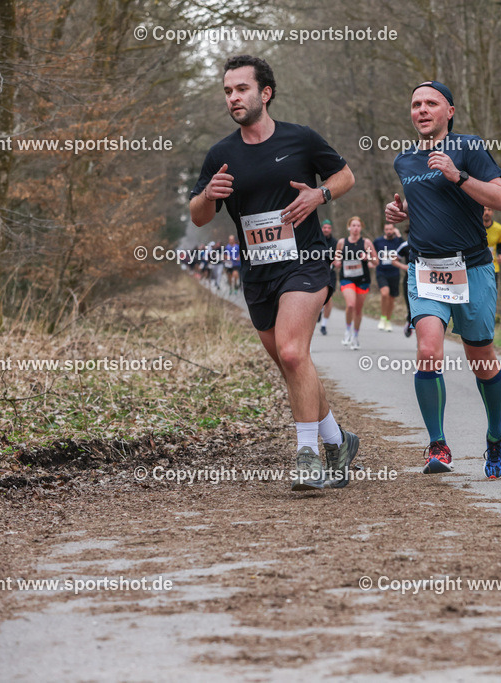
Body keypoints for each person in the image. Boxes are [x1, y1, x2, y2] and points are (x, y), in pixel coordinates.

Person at [189, 55, 360, 491]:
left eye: (241, 89)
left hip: (305, 262)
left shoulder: (300, 139)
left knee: (292, 352)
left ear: (265, 93)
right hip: (258, 273)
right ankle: (338, 441)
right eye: (228, 91)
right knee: (293, 363)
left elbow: (345, 176)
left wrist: (320, 195)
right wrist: (208, 195)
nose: (233, 98)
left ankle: (307, 456)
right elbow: (199, 216)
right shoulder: (221, 154)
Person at [384, 80, 501, 479]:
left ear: (449, 112)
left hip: (473, 268)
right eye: (416, 104)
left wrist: (458, 176)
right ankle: (437, 444)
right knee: (428, 351)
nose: (422, 110)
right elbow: (426, 204)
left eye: (431, 103)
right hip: (425, 269)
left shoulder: (469, 147)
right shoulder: (404, 160)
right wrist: (402, 213)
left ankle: (496, 434)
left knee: (482, 361)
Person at [332, 216, 377, 350]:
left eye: (358, 226)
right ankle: (347, 330)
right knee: (351, 305)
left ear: (361, 228)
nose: (356, 228)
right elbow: (336, 258)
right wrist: (337, 262)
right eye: (353, 225)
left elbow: (376, 261)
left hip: (363, 279)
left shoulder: (366, 243)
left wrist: (368, 257)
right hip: (347, 278)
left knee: (358, 310)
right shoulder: (342, 242)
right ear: (349, 227)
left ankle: (355, 336)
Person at [373, 223, 404, 332]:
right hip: (381, 272)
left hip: (394, 273)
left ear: (394, 229)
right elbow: (372, 253)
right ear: (384, 230)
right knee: (384, 293)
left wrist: (399, 235)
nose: (389, 231)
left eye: (391, 229)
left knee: (391, 298)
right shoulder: (378, 241)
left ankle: (388, 320)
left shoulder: (398, 241)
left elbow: (405, 248)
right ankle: (382, 317)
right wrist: (372, 261)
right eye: (386, 229)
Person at [392, 232, 414, 337]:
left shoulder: (428, 244)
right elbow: (394, 260)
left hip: (426, 280)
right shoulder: (405, 245)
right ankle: (409, 321)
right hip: (409, 279)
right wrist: (405, 267)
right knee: (410, 305)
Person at [317, 219, 337, 335]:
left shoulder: (335, 242)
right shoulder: (316, 240)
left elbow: (339, 256)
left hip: (330, 274)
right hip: (318, 273)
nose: (326, 230)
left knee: (328, 299)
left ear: (331, 229)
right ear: (321, 228)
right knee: (319, 298)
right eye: (324, 227)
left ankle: (324, 325)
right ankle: (319, 309)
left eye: (328, 228)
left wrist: (336, 261)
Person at [483, 207, 501, 288]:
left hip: (493, 266)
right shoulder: (476, 228)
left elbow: (500, 244)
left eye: (489, 210)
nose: (486, 212)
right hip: (479, 267)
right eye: (484, 210)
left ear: (493, 212)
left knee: (493, 291)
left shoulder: (499, 229)